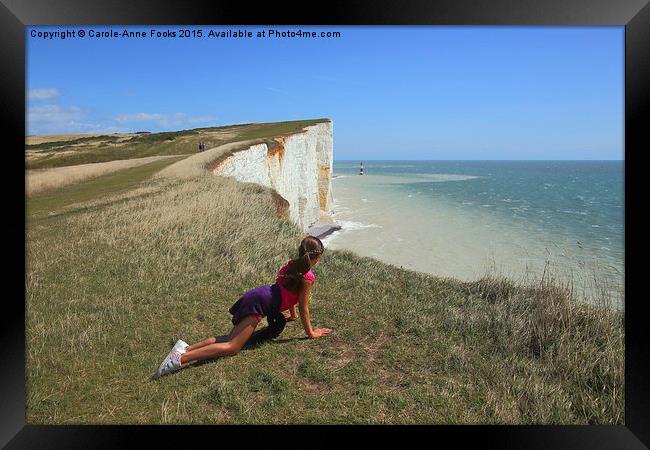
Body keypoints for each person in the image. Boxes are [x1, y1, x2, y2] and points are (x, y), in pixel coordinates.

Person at [153, 235, 332, 379]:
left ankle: (184, 348)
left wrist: (291, 316)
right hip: (260, 303)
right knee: (233, 347)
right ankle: (180, 359)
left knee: (229, 337)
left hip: (259, 294)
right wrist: (311, 333)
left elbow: (288, 290)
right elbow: (303, 306)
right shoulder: (307, 277)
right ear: (315, 257)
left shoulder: (290, 265)